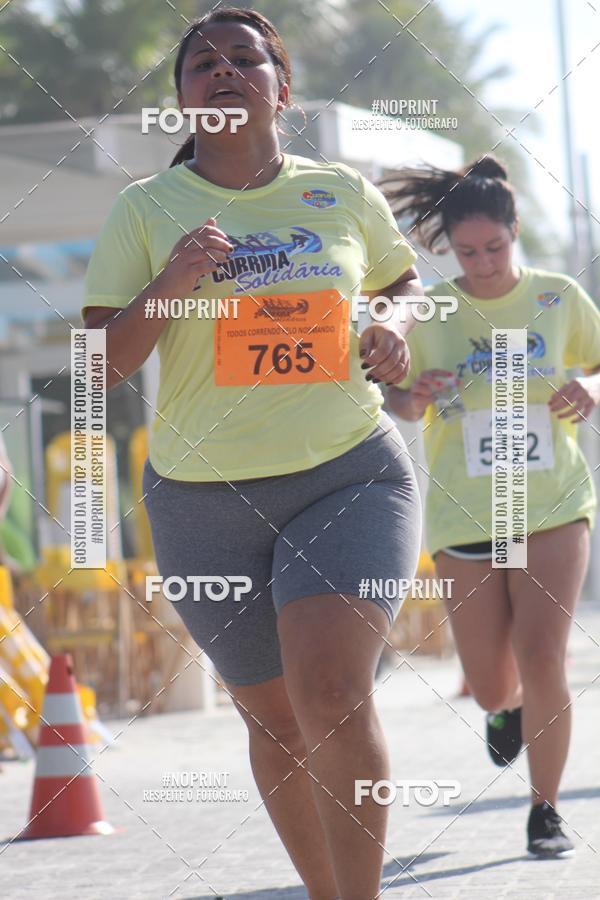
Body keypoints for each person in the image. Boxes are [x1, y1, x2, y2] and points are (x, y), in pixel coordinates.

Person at [83, 9, 423, 898]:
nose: (225, 72)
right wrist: (169, 283)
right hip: (202, 500)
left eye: (246, 59)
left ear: (283, 87)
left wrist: (391, 325)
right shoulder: (145, 209)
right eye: (204, 64)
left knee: (333, 692)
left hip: (348, 471)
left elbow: (406, 285)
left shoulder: (341, 192)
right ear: (184, 99)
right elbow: (100, 366)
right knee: (273, 720)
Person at [384, 155, 600, 859]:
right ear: (448, 247)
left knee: (545, 657)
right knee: (488, 684)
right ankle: (504, 712)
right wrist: (414, 396)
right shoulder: (436, 309)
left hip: (552, 504)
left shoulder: (557, 296)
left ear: (515, 232)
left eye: (496, 248)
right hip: (469, 513)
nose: (482, 263)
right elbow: (398, 402)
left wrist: (593, 391)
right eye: (467, 252)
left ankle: (546, 811)